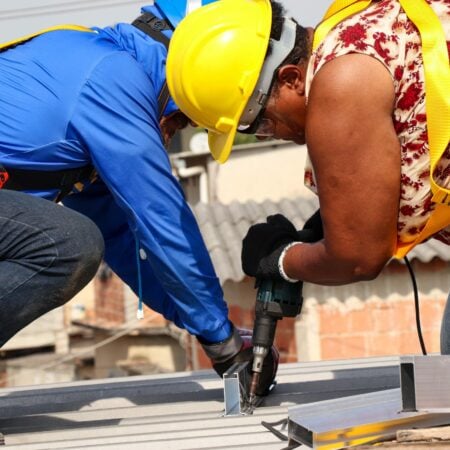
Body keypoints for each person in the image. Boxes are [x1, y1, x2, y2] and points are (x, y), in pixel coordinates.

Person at [0, 0, 278, 394]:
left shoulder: (96, 70)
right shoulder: (110, 78)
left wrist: (218, 332)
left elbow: (123, 239)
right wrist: (226, 347)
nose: (175, 130)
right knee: (68, 244)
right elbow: (162, 220)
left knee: (74, 237)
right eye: (184, 117)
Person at [166, 0, 450, 346]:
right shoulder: (349, 35)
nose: (273, 135)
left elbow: (358, 258)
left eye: (262, 123)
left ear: (290, 78)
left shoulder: (341, 82)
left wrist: (281, 259)